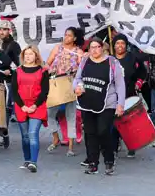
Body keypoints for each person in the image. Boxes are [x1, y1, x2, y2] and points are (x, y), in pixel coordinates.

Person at [73, 37, 125, 175]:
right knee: (90, 133)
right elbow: (78, 78)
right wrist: (77, 87)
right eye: (92, 48)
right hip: (87, 102)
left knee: (102, 131)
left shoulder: (112, 62)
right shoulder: (84, 61)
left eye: (97, 47)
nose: (94, 50)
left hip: (107, 103)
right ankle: (93, 162)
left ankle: (109, 159)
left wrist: (120, 104)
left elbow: (120, 84)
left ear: (102, 48)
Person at [45, 26, 85, 156]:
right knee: (49, 113)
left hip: (69, 84)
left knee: (71, 115)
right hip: (56, 84)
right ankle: (56, 137)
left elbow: (81, 69)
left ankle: (71, 147)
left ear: (74, 38)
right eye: (65, 34)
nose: (66, 37)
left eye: (69, 35)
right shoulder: (58, 48)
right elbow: (48, 63)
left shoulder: (78, 51)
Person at [11, 45, 50, 173]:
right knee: (25, 136)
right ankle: (27, 159)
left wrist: (34, 105)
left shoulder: (43, 71)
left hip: (37, 105)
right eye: (26, 54)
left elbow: (45, 91)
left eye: (31, 54)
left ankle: (33, 162)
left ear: (36, 56)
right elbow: (14, 91)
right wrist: (22, 106)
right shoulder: (17, 71)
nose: (28, 56)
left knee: (33, 133)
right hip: (21, 105)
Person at [112, 34, 147, 158]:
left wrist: (138, 83)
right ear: (114, 45)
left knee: (128, 121)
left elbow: (143, 72)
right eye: (117, 43)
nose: (120, 46)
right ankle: (114, 147)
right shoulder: (110, 59)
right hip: (113, 95)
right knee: (114, 121)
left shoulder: (133, 58)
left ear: (126, 45)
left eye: (122, 43)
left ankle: (131, 146)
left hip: (129, 93)